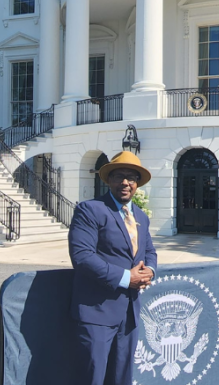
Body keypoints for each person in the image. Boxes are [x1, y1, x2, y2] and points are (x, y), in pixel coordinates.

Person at [68, 151, 158, 385]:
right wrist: (127, 277)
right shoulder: (90, 210)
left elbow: (149, 251)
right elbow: (82, 256)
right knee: (93, 378)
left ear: (138, 184)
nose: (126, 182)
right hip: (96, 313)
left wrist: (150, 270)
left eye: (132, 177)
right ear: (108, 180)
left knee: (122, 379)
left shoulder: (140, 216)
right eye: (119, 176)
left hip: (129, 315)